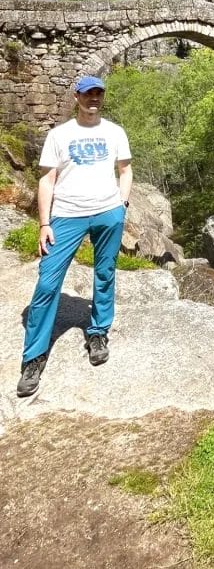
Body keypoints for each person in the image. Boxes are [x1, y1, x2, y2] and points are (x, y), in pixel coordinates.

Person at [16, 75, 133, 398]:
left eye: (98, 93)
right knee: (47, 283)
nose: (93, 98)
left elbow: (125, 170)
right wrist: (44, 223)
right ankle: (34, 357)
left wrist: (121, 205)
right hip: (66, 216)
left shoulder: (115, 132)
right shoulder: (59, 134)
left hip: (108, 212)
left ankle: (98, 332)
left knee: (105, 273)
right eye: (87, 94)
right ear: (77, 97)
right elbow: (47, 181)